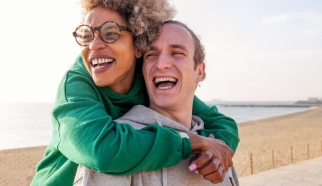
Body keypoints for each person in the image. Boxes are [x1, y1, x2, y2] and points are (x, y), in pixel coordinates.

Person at [31, 0, 239, 186]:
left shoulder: (147, 78)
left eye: (110, 33)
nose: (94, 45)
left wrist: (218, 150)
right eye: (87, 35)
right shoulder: (76, 85)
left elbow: (220, 123)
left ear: (138, 43)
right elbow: (102, 150)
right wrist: (191, 142)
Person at [73, 20, 240, 186]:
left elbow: (223, 123)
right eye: (151, 55)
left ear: (200, 71)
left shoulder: (217, 146)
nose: (161, 64)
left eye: (176, 53)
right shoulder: (118, 150)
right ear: (143, 70)